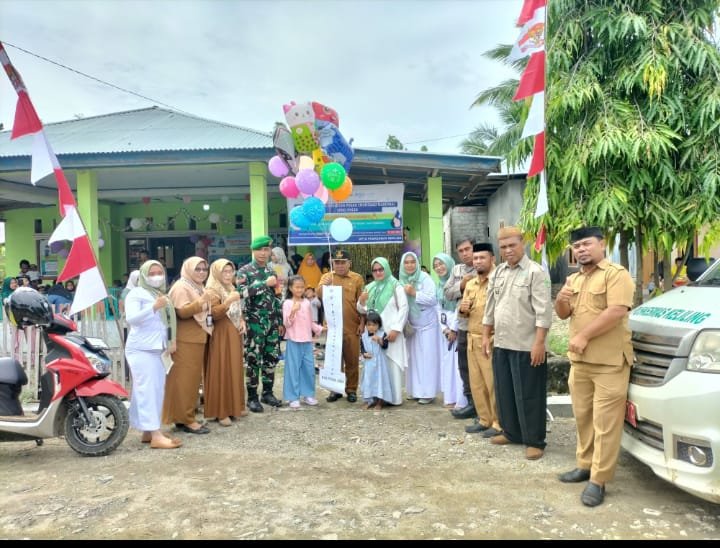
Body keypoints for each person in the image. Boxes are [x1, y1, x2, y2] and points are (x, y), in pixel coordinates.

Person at [554, 226, 635, 507]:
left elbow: (617, 311)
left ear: (602, 244)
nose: (581, 250)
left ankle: (598, 480)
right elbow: (564, 314)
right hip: (581, 363)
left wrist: (585, 336)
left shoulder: (617, 275)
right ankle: (584, 465)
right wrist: (561, 298)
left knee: (605, 424)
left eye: (587, 244)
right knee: (583, 418)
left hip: (609, 362)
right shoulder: (574, 279)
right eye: (577, 247)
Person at [481, 226, 552, 461]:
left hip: (527, 344)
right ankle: (512, 432)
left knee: (529, 394)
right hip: (502, 342)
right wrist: (485, 335)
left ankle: (534, 440)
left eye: (512, 245)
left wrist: (539, 343)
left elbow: (543, 312)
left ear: (523, 244)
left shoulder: (535, 272)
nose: (508, 250)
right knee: (505, 392)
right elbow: (490, 308)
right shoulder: (499, 272)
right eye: (503, 247)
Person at [124, 260, 181, 449]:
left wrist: (170, 341)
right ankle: (155, 434)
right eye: (152, 273)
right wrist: (153, 307)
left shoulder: (159, 293)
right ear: (143, 275)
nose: (157, 276)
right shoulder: (136, 293)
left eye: (160, 272)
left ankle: (148, 431)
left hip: (158, 348)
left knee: (154, 390)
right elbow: (132, 319)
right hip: (141, 349)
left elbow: (166, 323)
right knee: (148, 390)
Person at [163, 256, 213, 435]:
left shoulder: (196, 286)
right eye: (197, 269)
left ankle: (185, 417)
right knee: (185, 382)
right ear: (188, 269)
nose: (201, 273)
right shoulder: (181, 286)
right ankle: (186, 419)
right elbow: (182, 312)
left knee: (192, 382)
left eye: (204, 269)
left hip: (196, 339)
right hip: (185, 340)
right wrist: (202, 302)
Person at [237, 235, 284, 412]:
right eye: (260, 250)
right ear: (253, 251)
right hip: (254, 324)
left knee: (271, 359)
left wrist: (279, 320)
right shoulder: (244, 271)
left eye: (266, 249)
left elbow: (277, 297)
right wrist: (264, 283)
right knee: (253, 360)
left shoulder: (272, 272)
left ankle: (268, 393)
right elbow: (241, 293)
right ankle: (252, 397)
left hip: (271, 324)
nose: (263, 253)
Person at [458, 243, 501, 437]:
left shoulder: (499, 281)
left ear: (492, 259)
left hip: (490, 339)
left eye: (482, 258)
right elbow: (464, 314)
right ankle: (484, 419)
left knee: (493, 383)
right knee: (477, 383)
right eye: (475, 259)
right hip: (472, 338)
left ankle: (498, 422)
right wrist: (463, 310)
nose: (477, 262)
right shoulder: (470, 284)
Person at [357, 257, 409, 406]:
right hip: (375, 334)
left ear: (386, 269)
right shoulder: (370, 287)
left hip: (392, 333)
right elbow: (362, 309)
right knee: (376, 366)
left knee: (391, 364)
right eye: (375, 270)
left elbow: (404, 308)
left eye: (381, 269)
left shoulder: (395, 286)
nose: (378, 272)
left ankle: (393, 399)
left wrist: (396, 329)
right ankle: (378, 396)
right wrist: (361, 301)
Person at [317, 249, 366, 403]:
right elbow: (317, 295)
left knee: (352, 360)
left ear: (349, 263)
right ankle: (335, 389)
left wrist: (363, 323)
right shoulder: (327, 277)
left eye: (342, 262)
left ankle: (351, 389)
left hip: (352, 325)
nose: (339, 266)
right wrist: (323, 286)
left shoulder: (357, 279)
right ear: (332, 264)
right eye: (336, 262)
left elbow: (362, 303)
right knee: (334, 359)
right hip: (333, 327)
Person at [204, 259, 248, 426]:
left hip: (234, 332)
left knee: (234, 368)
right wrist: (228, 301)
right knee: (222, 369)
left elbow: (238, 310)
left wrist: (242, 321)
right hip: (221, 333)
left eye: (231, 271)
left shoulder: (231, 288)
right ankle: (221, 411)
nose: (229, 275)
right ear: (216, 273)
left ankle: (235, 406)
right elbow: (213, 314)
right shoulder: (212, 291)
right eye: (225, 272)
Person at [399, 251, 441, 405]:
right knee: (413, 360)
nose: (409, 265)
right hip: (411, 327)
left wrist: (414, 293)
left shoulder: (425, 278)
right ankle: (415, 391)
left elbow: (432, 299)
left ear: (416, 263)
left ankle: (428, 392)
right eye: (406, 262)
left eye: (412, 262)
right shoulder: (401, 279)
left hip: (428, 326)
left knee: (427, 359)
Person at [444, 236, 477, 419]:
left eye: (467, 249)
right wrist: (462, 285)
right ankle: (471, 403)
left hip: (480, 325)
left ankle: (484, 407)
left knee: (481, 367)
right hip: (462, 323)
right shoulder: (457, 270)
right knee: (464, 365)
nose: (465, 254)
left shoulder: (483, 265)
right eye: (461, 251)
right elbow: (447, 293)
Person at [282, 275, 324, 409]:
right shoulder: (287, 303)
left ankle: (308, 394)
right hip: (293, 340)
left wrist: (320, 329)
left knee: (308, 368)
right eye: (297, 287)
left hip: (307, 341)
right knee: (292, 369)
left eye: (302, 287)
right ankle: (292, 397)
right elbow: (286, 324)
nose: (300, 289)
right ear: (290, 288)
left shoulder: (307, 302)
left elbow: (310, 322)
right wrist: (293, 312)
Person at [432, 252, 467, 411]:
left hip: (457, 325)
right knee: (447, 364)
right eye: (436, 265)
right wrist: (444, 328)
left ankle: (462, 400)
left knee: (458, 364)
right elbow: (438, 309)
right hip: (444, 329)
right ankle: (450, 397)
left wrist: (453, 329)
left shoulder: (458, 284)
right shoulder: (439, 286)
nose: (439, 268)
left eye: (441, 264)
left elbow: (460, 306)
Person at [359, 310, 393, 410]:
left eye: (374, 325)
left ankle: (380, 401)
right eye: (369, 325)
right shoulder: (364, 336)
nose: (371, 327)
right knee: (368, 381)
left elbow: (385, 346)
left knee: (380, 382)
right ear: (366, 325)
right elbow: (362, 348)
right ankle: (369, 400)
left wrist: (379, 340)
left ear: (379, 325)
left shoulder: (382, 334)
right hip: (369, 364)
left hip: (380, 364)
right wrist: (364, 354)